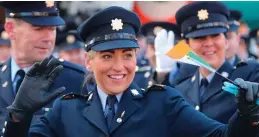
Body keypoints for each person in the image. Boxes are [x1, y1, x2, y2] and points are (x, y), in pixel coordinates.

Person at [2, 6, 259, 137]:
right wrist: (18, 116)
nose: (119, 66)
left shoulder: (162, 102)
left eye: (127, 55)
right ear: (89, 62)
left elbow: (221, 135)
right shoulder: (66, 109)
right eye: (107, 56)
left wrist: (247, 117)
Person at [0, 1, 87, 134]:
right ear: (11, 29)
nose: (48, 38)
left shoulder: (78, 80)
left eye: (52, 29)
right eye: (38, 28)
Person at [174, 1, 259, 124]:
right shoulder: (180, 89)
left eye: (215, 35)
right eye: (199, 37)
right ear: (187, 45)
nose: (209, 44)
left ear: (226, 41)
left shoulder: (249, 76)